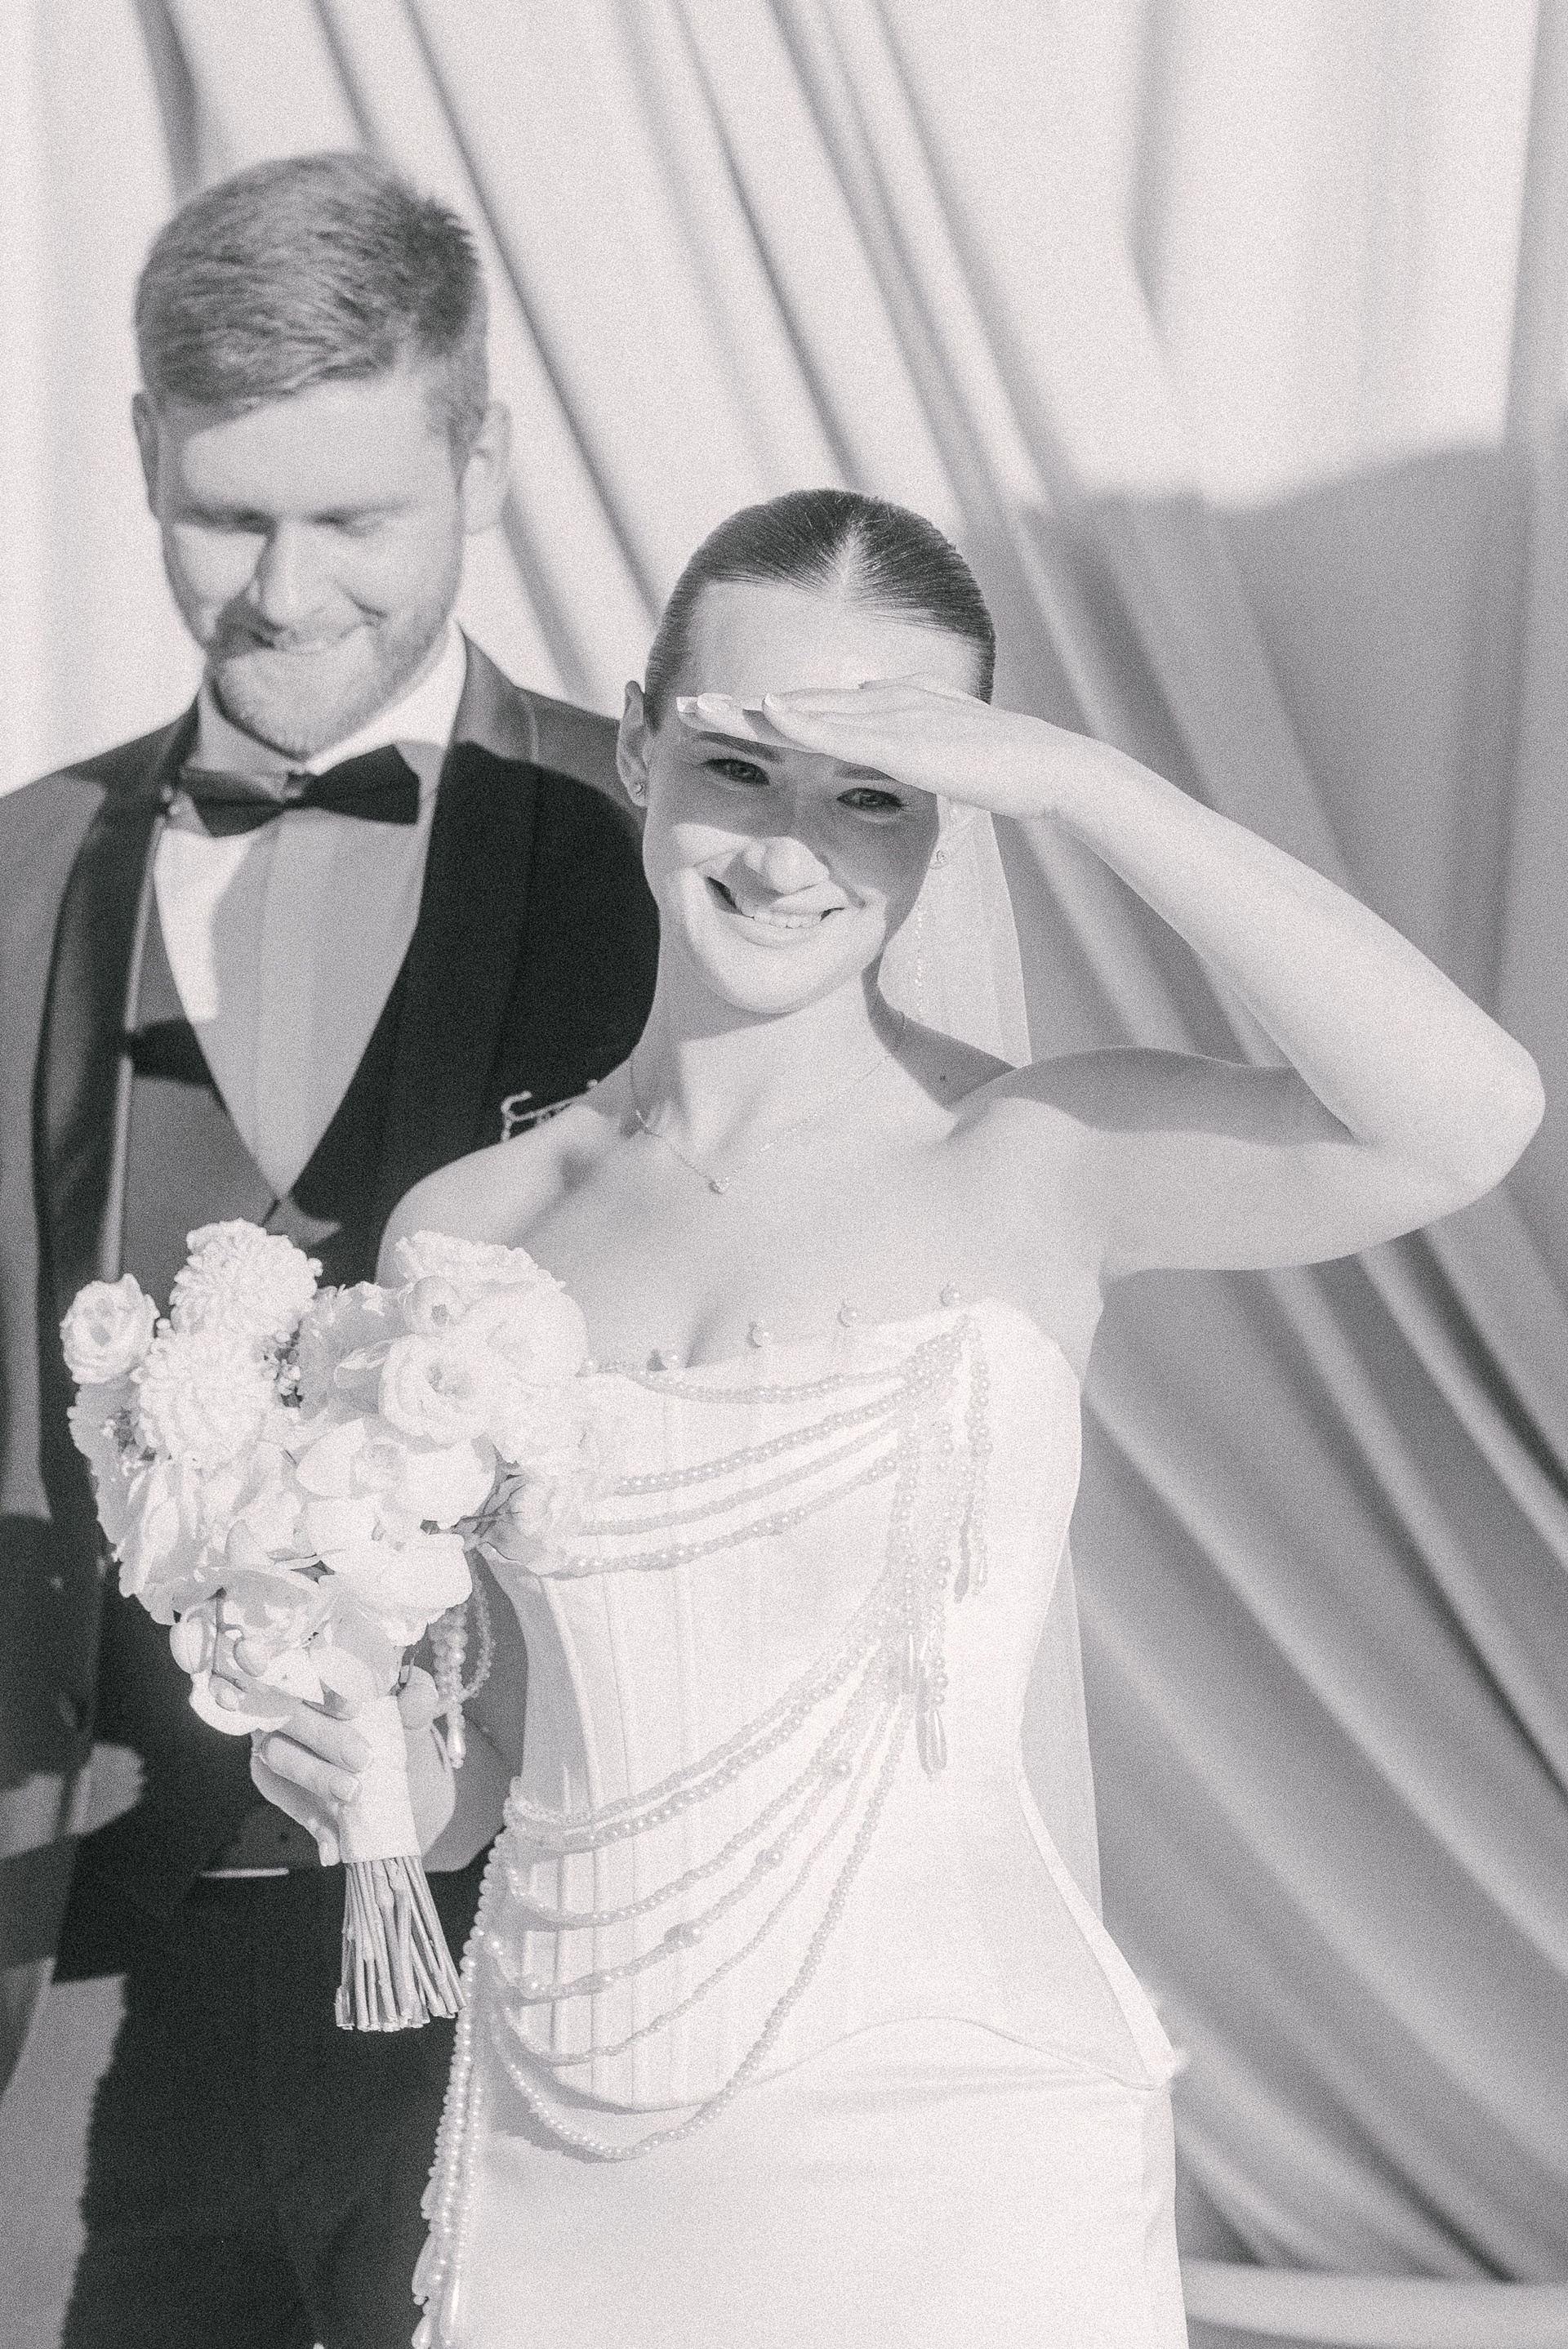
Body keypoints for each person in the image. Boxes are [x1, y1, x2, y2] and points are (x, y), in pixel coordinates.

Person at [233, 488, 1544, 2348]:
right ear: (638, 744)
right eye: (741, 768)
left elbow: (1467, 1118)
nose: (791, 854)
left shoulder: (1034, 1154)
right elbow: (501, 1764)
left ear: (955, 811)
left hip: (966, 2172)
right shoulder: (469, 1237)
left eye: (876, 794)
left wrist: (1087, 786)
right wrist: (380, 1779)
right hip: (572, 2157)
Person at [0, 153, 657, 2348]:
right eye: (225, 515)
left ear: (485, 455)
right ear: (139, 457)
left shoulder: (665, 866)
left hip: (532, 1955)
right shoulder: (16, 871)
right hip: (77, 1977)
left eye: (355, 517)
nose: (283, 594)